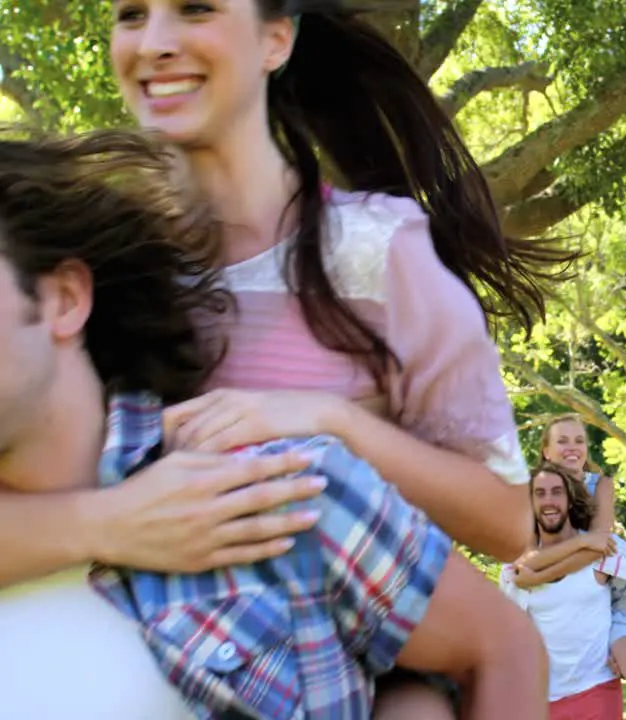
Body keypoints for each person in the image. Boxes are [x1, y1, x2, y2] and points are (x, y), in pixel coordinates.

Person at [3, 2, 572, 715]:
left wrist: (335, 422)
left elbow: (506, 525)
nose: (155, 43)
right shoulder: (107, 266)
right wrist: (113, 521)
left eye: (195, 9)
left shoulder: (376, 254)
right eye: (130, 15)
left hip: (359, 633)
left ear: (277, 37)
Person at [522, 414, 626, 720]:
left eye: (579, 441)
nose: (572, 448)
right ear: (546, 450)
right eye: (562, 441)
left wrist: (542, 575)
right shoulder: (535, 491)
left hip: (615, 591)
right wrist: (536, 570)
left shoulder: (600, 484)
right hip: (577, 598)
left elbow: (599, 545)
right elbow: (526, 558)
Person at [502, 465, 626, 720]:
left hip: (598, 689)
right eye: (540, 493)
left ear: (570, 500)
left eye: (557, 492)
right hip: (540, 700)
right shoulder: (514, 567)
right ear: (531, 503)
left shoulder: (601, 550)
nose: (549, 501)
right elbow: (509, 634)